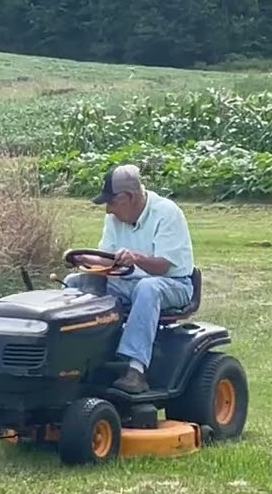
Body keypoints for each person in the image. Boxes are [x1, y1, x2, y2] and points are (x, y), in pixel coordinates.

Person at [64, 164, 195, 394]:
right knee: (76, 283)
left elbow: (164, 265)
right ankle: (80, 359)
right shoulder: (114, 219)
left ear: (131, 197)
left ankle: (136, 370)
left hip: (174, 283)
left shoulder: (167, 213)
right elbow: (108, 260)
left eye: (112, 202)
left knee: (147, 288)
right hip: (127, 281)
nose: (108, 210)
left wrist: (135, 258)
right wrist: (85, 260)